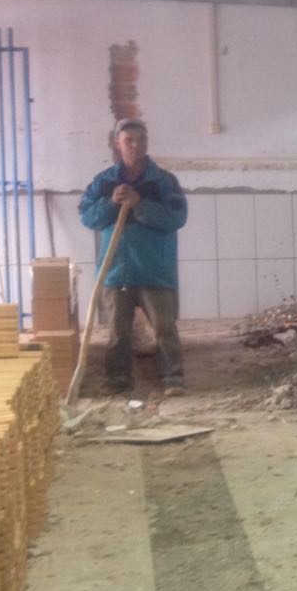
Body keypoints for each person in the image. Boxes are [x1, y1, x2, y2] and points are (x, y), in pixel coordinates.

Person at [78, 118, 189, 396]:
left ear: (147, 143)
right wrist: (110, 202)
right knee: (118, 331)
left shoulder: (164, 182)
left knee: (164, 329)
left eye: (140, 140)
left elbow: (176, 218)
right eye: (129, 140)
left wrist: (140, 204)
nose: (135, 145)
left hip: (154, 268)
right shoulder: (104, 182)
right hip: (116, 269)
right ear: (118, 144)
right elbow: (88, 217)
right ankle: (118, 379)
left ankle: (173, 378)